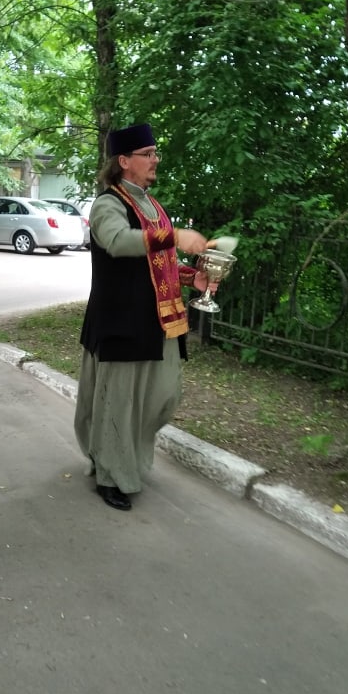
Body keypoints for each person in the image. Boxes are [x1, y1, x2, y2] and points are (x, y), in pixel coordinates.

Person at [74, 122, 223, 512]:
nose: (156, 159)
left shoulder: (153, 205)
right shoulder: (108, 202)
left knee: (162, 397)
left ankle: (122, 459)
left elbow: (162, 260)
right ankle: (111, 474)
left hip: (159, 320)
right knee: (118, 403)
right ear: (124, 161)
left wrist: (195, 279)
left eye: (155, 153)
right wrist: (174, 236)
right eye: (148, 153)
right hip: (121, 319)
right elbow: (119, 242)